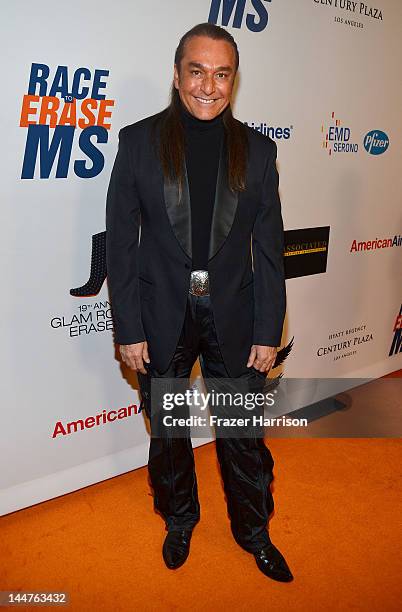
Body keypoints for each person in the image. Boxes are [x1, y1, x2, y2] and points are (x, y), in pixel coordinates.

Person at [105, 23, 293, 582]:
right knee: (168, 435)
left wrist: (268, 330)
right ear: (177, 73)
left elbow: (271, 250)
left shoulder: (258, 151)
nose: (208, 87)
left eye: (221, 74)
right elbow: (120, 242)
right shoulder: (138, 143)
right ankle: (180, 519)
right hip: (161, 313)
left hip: (235, 316)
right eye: (197, 71)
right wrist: (128, 328)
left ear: (233, 80)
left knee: (242, 437)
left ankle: (255, 533)